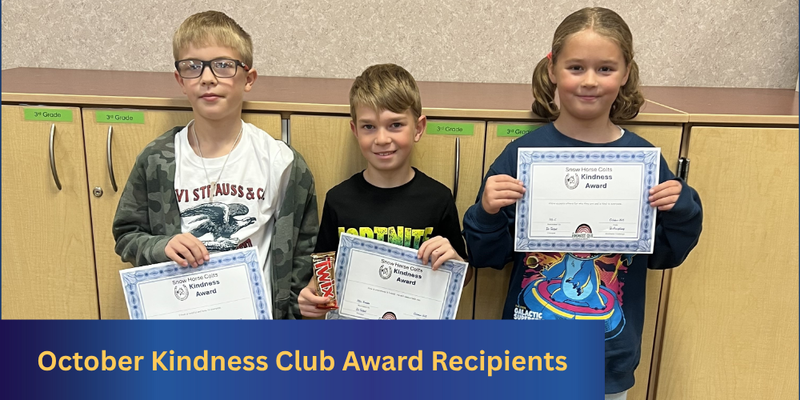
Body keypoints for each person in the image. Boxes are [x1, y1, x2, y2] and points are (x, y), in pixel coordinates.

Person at [461, 8, 702, 399]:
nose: (590, 81)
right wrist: (486, 213)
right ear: (553, 68)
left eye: (605, 69)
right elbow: (488, 255)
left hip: (605, 356)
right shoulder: (522, 154)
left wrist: (684, 207)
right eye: (576, 67)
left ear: (626, 73)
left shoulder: (643, 160)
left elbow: (667, 255)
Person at [112, 11, 318, 320]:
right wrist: (162, 247)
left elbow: (302, 251)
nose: (207, 78)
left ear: (248, 79)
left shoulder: (282, 162)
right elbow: (126, 234)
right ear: (181, 80)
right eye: (193, 66)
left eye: (223, 65)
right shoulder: (157, 160)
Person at [298, 63, 469, 318]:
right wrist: (312, 299)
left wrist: (455, 262)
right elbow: (324, 274)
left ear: (419, 128)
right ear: (355, 130)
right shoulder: (338, 200)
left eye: (395, 125)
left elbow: (462, 278)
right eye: (369, 127)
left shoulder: (438, 199)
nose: (381, 139)